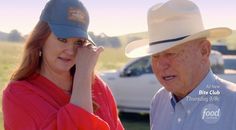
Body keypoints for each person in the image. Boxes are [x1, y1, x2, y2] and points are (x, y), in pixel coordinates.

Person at [2, 0, 124, 129]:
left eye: (78, 42)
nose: (71, 51)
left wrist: (84, 76)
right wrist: (82, 76)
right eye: (62, 39)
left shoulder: (98, 86)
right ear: (41, 39)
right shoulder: (17, 95)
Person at [125, 0, 236, 130]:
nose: (161, 65)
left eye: (171, 53)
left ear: (204, 51)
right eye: (155, 55)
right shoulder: (159, 101)